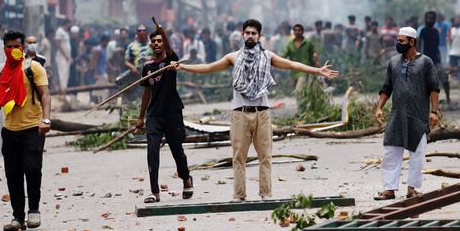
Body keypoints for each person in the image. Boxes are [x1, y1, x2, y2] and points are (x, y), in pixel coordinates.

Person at [170, 19, 338, 201]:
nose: (250, 36)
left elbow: (292, 64)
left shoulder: (268, 56)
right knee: (239, 157)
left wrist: (317, 71)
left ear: (259, 36)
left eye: (254, 33)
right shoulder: (232, 57)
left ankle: (266, 194)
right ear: (243, 35)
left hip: (262, 113)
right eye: (247, 33)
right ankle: (239, 195)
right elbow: (208, 67)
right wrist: (183, 67)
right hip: (240, 113)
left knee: (265, 156)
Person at [0, 30, 51, 231]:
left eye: (16, 46)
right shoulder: (1, 71)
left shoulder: (33, 68)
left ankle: (34, 210)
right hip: (9, 131)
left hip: (33, 128)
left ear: (23, 48)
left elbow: (45, 95)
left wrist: (46, 119)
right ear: (4, 48)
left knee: (33, 169)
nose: (13, 50)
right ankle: (18, 217)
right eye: (9, 47)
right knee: (13, 174)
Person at [374, 27, 440, 200]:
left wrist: (434, 111)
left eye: (401, 41)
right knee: (390, 152)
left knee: (417, 155)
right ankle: (389, 190)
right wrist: (379, 107)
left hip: (417, 116)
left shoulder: (426, 62)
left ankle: (412, 189)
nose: (398, 44)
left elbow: (434, 88)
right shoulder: (393, 62)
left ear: (412, 42)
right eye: (397, 40)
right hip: (396, 116)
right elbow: (386, 87)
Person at [135, 29, 193, 203]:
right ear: (151, 45)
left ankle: (186, 179)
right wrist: (141, 117)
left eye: (160, 41)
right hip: (154, 115)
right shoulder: (147, 67)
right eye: (154, 41)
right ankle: (155, 192)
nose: (157, 43)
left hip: (172, 113)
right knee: (152, 151)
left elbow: (168, 47)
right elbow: (147, 92)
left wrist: (163, 32)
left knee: (177, 151)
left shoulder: (171, 61)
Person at [418, 12, 451, 104]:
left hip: (436, 60)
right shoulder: (423, 31)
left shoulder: (436, 31)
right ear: (425, 19)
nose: (430, 20)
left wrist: (439, 58)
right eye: (428, 18)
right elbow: (418, 43)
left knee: (444, 77)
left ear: (435, 20)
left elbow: (436, 46)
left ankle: (448, 98)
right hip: (424, 60)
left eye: (432, 18)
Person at [282, 24, 316, 91]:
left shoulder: (308, 43)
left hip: (304, 70)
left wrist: (314, 71)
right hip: (293, 71)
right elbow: (284, 55)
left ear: (303, 31)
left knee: (299, 89)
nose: (297, 32)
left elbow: (312, 58)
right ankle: (301, 102)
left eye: (299, 30)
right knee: (296, 90)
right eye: (295, 30)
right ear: (293, 32)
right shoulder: (290, 44)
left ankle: (300, 101)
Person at [91, 34, 110, 103]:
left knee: (101, 87)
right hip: (99, 71)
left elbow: (105, 60)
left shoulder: (104, 49)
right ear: (103, 41)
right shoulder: (98, 49)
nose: (107, 43)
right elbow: (95, 61)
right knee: (98, 86)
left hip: (103, 70)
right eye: (107, 42)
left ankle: (100, 101)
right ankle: (93, 101)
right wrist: (95, 73)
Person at [55, 19, 73, 89]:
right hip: (61, 57)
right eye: (69, 24)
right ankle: (63, 89)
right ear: (67, 24)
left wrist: (69, 57)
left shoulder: (66, 32)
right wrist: (65, 55)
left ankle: (65, 88)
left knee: (66, 74)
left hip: (67, 57)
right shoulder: (59, 31)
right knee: (62, 73)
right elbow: (58, 45)